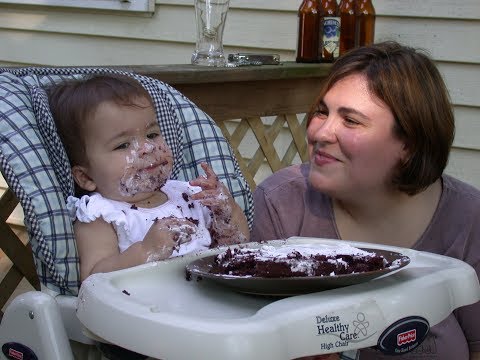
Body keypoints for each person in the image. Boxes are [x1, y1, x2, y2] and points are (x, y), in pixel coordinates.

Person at [251, 41, 480, 360]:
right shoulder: (283, 204)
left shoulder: (468, 217)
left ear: (409, 144)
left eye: (351, 120)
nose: (321, 133)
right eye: (322, 111)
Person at [48, 74, 249, 282]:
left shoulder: (188, 196)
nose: (147, 148)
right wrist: (146, 250)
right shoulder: (102, 215)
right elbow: (93, 280)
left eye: (152, 135)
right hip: (146, 310)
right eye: (123, 145)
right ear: (86, 176)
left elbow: (236, 248)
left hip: (208, 300)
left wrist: (227, 212)